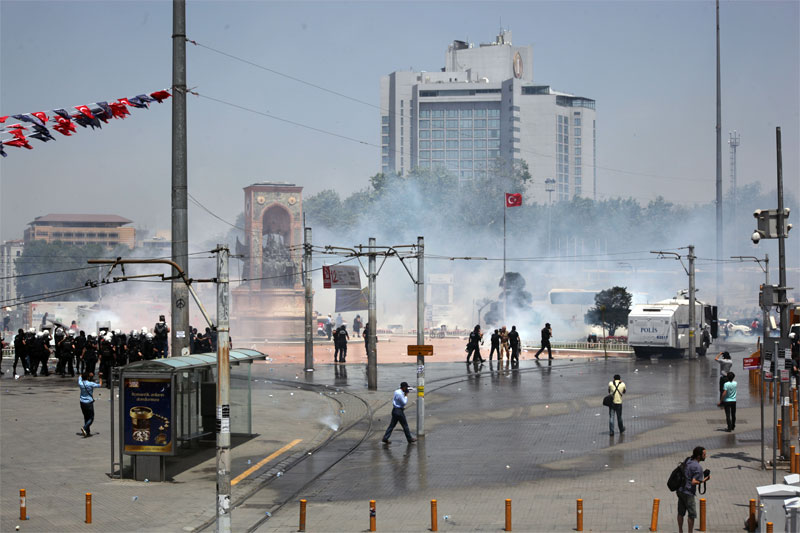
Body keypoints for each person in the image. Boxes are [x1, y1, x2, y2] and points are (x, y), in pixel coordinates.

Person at [677, 446, 710, 533]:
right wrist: (704, 480)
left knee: (681, 512)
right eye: (704, 454)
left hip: (680, 490)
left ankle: (680, 531)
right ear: (699, 456)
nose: (705, 456)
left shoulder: (688, 460)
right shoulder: (698, 467)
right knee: (691, 514)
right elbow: (693, 482)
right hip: (688, 493)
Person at [78, 371, 101, 437]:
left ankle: (87, 432)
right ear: (88, 377)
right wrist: (100, 377)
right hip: (89, 402)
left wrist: (84, 374)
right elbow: (100, 384)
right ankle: (84, 427)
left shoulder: (80, 383)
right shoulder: (90, 384)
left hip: (82, 402)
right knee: (91, 418)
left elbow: (80, 376)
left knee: (86, 417)